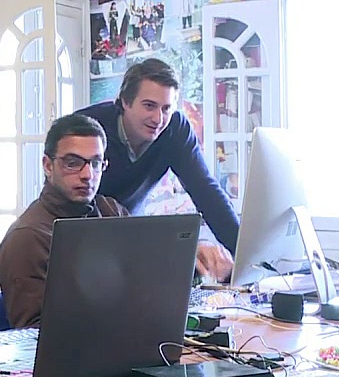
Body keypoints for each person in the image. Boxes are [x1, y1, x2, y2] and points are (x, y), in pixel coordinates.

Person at [76, 59, 237, 280]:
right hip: (82, 239)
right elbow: (74, 206)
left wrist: (244, 257)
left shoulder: (175, 129)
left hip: (132, 238)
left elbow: (207, 192)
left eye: (166, 108)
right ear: (125, 101)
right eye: (149, 106)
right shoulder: (88, 128)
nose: (158, 119)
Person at [0, 115, 127, 328]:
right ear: (48, 165)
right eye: (73, 163)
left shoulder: (112, 211)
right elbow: (34, 333)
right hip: (78, 347)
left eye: (96, 163)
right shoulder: (28, 237)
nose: (88, 174)